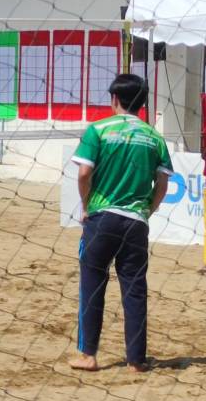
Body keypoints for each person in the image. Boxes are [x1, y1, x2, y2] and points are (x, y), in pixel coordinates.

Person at [69, 73, 171, 373]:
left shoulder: (98, 130)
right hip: (136, 221)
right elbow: (162, 184)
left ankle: (88, 355)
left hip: (102, 217)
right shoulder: (154, 137)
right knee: (135, 289)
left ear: (114, 99)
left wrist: (86, 206)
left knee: (92, 285)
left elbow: (84, 174)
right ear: (142, 103)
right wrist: (147, 211)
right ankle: (136, 360)